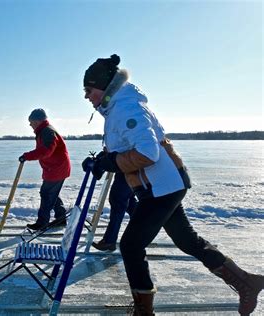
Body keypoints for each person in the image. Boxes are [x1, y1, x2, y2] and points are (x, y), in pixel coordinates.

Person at [81, 54, 263, 315]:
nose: (86, 96)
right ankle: (247, 281)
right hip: (162, 185)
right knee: (187, 241)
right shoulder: (118, 108)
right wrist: (103, 160)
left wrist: (111, 162)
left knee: (131, 245)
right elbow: (124, 148)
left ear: (104, 86)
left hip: (161, 187)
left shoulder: (126, 108)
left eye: (88, 90)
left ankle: (144, 311)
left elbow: (147, 152)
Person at [19, 108, 71, 231]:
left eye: (30, 121)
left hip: (56, 169)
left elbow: (46, 151)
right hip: (54, 168)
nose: (30, 124)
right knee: (52, 194)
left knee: (47, 194)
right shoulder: (44, 130)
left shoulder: (47, 131)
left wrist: (27, 156)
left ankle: (42, 223)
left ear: (36, 121)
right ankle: (61, 219)